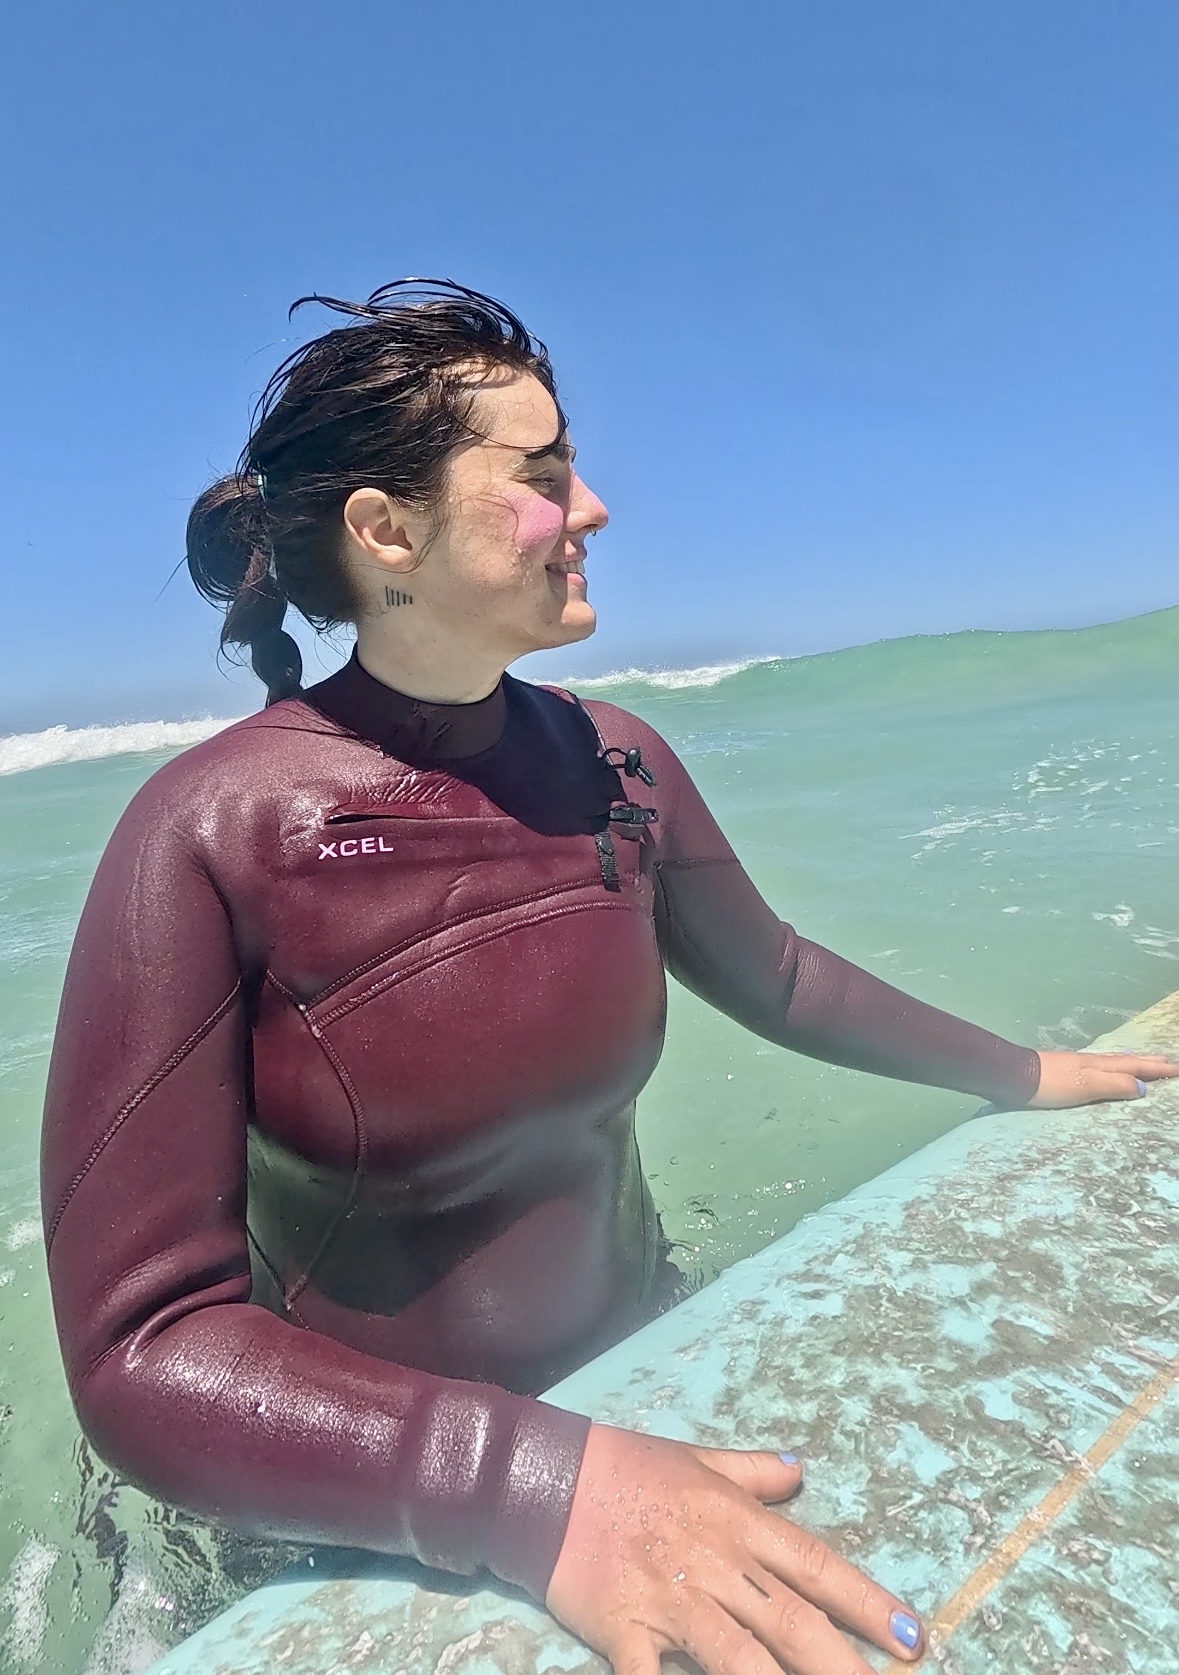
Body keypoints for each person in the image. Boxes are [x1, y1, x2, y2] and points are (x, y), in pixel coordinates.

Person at [41, 282, 1177, 1675]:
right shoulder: (211, 832)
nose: (593, 510)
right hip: (350, 1479)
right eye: (544, 476)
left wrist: (1028, 1070)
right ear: (388, 533)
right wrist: (521, 1484)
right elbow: (147, 1349)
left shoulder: (616, 761)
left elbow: (784, 980)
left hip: (637, 1367)